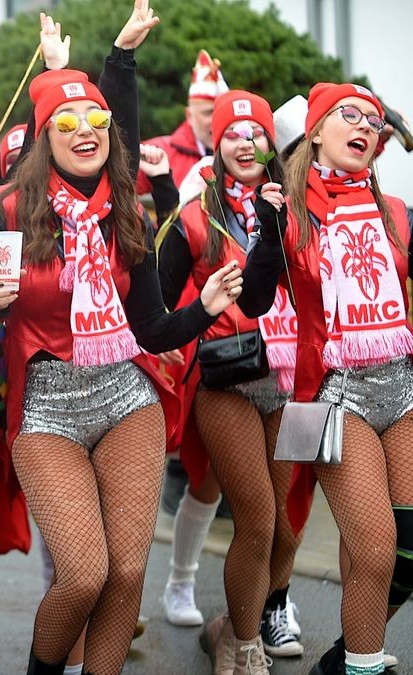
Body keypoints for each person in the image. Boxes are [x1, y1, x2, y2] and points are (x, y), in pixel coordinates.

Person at [0, 39, 246, 675]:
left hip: (126, 399)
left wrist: (206, 306)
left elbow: (149, 329)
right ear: (42, 137)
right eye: (67, 122)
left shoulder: (124, 213)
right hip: (47, 409)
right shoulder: (4, 209)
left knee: (127, 571)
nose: (85, 131)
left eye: (97, 121)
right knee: (84, 575)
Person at [239, 82, 413, 675]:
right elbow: (259, 299)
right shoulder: (290, 214)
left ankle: (343, 658)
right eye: (348, 115)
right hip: (335, 396)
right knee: (374, 546)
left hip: (402, 389)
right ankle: (360, 664)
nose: (364, 125)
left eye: (373, 118)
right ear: (314, 132)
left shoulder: (396, 213)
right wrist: (266, 229)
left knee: (405, 556)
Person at [156, 91, 306, 671]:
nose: (247, 142)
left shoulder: (297, 208)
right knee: (257, 518)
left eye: (257, 134)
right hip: (225, 380)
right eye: (233, 133)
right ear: (216, 145)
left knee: (287, 528)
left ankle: (231, 625)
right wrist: (201, 317)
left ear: (272, 146)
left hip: (290, 383)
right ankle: (244, 643)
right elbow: (156, 315)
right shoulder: (195, 216)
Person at [136, 49, 228, 193]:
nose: (217, 121)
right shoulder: (158, 152)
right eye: (209, 113)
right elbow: (118, 185)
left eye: (223, 113)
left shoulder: (246, 152)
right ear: (189, 116)